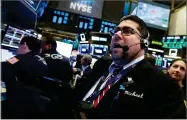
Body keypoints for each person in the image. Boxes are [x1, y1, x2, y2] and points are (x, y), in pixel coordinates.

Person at [79, 15, 186, 119]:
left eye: (127, 31)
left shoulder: (165, 86)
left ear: (144, 42)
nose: (117, 35)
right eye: (116, 31)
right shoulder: (101, 64)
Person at [2, 36, 48, 118]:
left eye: (19, 45)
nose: (17, 49)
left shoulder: (19, 58)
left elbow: (3, 66)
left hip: (17, 106)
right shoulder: (41, 59)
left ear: (25, 45)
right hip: (36, 104)